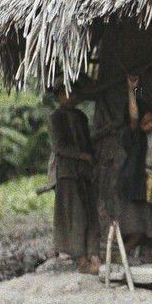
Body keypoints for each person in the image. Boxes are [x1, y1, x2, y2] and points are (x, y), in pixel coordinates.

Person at [48, 83, 101, 274]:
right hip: (68, 173)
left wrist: (89, 159)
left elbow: (87, 142)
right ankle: (81, 259)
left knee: (89, 214)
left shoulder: (81, 116)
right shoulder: (56, 117)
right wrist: (82, 155)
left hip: (83, 173)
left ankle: (92, 254)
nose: (71, 96)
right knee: (75, 216)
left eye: (73, 92)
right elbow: (59, 146)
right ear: (59, 97)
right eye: (66, 93)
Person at [117, 74, 152, 264]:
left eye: (151, 120)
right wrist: (131, 91)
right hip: (134, 184)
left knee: (151, 227)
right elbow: (134, 116)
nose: (149, 124)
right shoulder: (134, 133)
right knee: (139, 227)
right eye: (145, 122)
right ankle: (121, 256)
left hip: (149, 182)